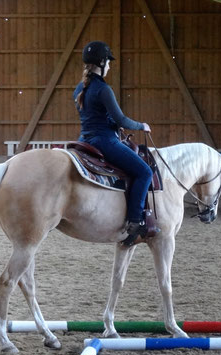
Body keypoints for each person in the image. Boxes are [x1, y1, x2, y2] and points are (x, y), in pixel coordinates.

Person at [73, 41, 154, 246]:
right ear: (101, 63)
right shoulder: (103, 89)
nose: (109, 66)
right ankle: (135, 221)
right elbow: (121, 120)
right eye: (108, 62)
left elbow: (94, 117)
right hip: (104, 141)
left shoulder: (79, 89)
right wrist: (141, 125)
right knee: (145, 172)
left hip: (85, 139)